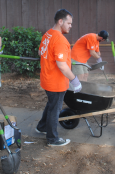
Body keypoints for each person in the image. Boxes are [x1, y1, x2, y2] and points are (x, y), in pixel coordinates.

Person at [36, 9, 81, 146]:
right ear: (60, 21)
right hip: (56, 82)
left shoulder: (47, 34)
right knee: (54, 110)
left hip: (47, 79)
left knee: (51, 105)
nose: (70, 26)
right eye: (69, 23)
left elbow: (40, 52)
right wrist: (74, 80)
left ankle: (42, 127)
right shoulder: (60, 39)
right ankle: (52, 139)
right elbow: (62, 66)